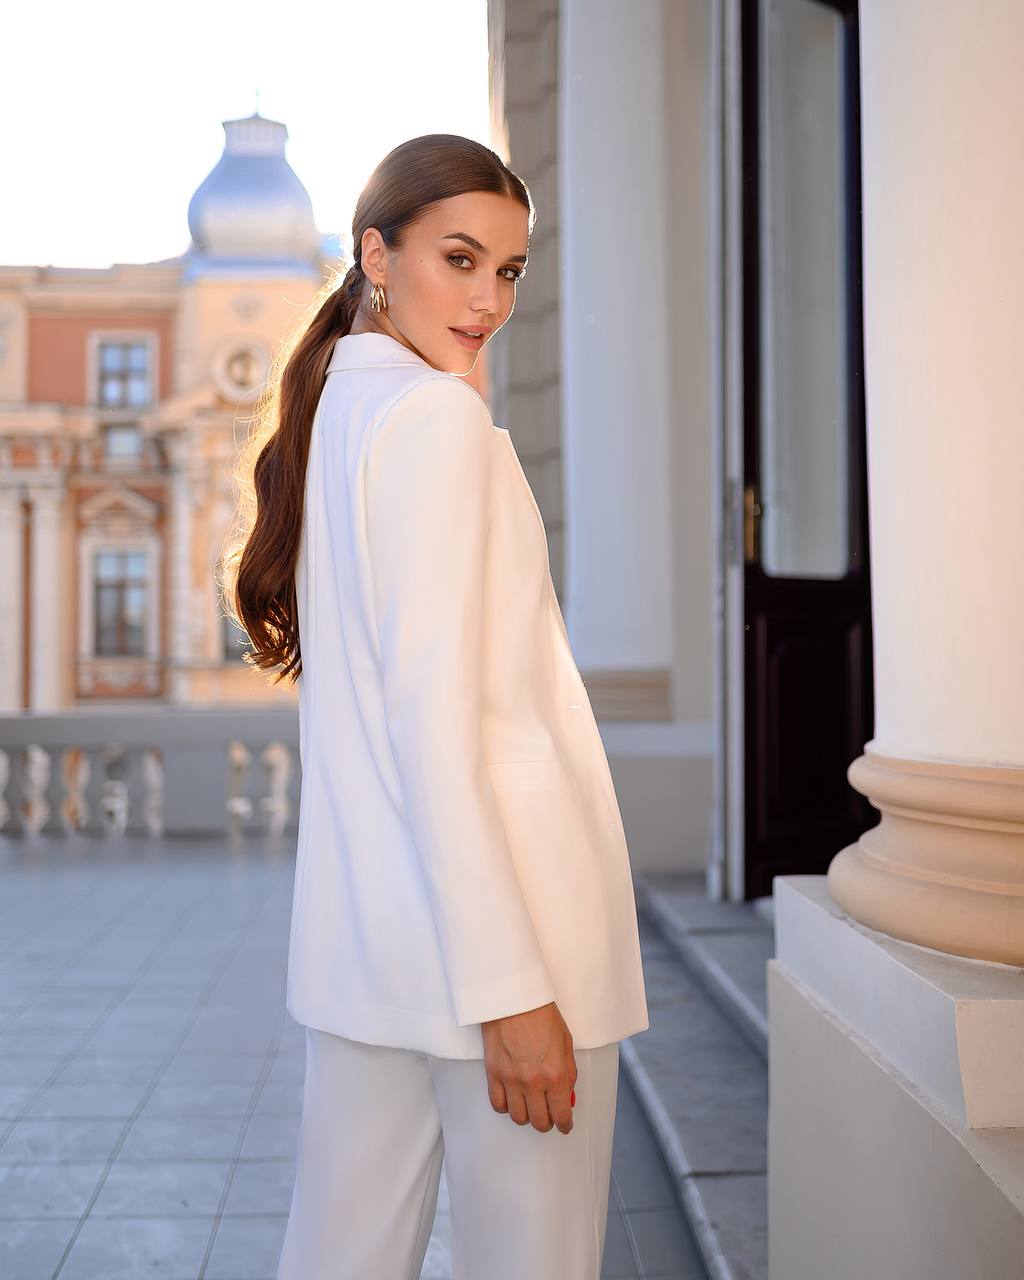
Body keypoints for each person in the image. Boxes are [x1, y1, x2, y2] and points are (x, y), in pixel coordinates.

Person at [223, 133, 649, 1280]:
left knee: (336, 1257)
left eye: (509, 270)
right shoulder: (432, 422)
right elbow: (434, 726)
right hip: (505, 948)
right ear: (376, 252)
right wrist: (513, 992)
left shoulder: (341, 416)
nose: (487, 299)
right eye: (459, 259)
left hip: (373, 954)